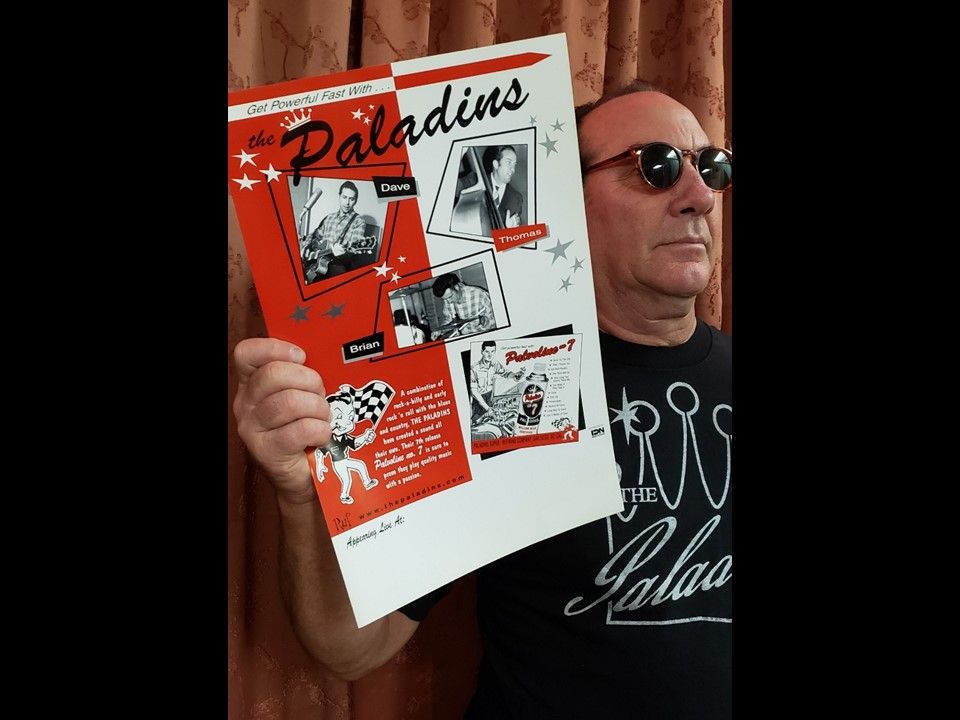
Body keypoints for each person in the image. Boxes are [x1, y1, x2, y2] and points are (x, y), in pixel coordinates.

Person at [232, 79, 732, 718]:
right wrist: (300, 493)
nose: (699, 197)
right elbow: (351, 646)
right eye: (654, 167)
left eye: (711, 167)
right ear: (564, 201)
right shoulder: (506, 385)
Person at [298, 180, 375, 281]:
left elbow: (353, 254)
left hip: (338, 265)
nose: (347, 203)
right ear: (339, 196)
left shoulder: (359, 221)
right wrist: (306, 247)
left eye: (351, 199)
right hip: (318, 264)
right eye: (344, 197)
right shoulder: (329, 218)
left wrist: (343, 254)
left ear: (355, 201)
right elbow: (313, 236)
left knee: (337, 271)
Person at [469, 340, 524, 423]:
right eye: (487, 352)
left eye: (492, 351)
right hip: (479, 401)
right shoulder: (474, 369)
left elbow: (505, 373)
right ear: (482, 352)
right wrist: (487, 408)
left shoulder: (495, 364)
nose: (490, 355)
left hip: (490, 398)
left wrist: (515, 375)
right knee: (476, 423)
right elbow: (474, 392)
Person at [429, 273, 496, 339]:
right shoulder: (447, 300)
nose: (448, 301)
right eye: (445, 299)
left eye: (450, 296)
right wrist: (440, 330)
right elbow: (450, 320)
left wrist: (485, 321)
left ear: (457, 287)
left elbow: (495, 318)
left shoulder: (479, 294)